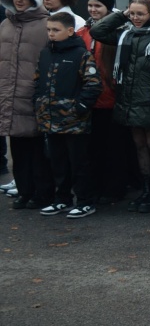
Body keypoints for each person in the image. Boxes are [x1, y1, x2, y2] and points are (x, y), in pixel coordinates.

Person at [90, 0, 150, 213]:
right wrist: (121, 15)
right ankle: (146, 189)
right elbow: (97, 32)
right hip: (129, 98)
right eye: (133, 13)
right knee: (139, 144)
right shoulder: (124, 34)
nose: (136, 18)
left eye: (141, 14)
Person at [33, 12, 104, 218]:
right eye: (49, 30)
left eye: (56, 30)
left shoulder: (81, 55)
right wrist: (38, 103)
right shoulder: (45, 53)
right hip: (50, 119)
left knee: (79, 163)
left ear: (70, 31)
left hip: (74, 121)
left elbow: (93, 84)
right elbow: (38, 81)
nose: (51, 34)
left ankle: (85, 201)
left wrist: (79, 106)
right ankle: (61, 198)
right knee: (57, 162)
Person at [0, 0, 56, 210]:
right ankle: (24, 191)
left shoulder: (47, 24)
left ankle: (42, 193)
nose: (19, 0)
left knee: (38, 150)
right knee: (18, 149)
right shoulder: (5, 24)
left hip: (34, 95)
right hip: (9, 95)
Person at [78, 0, 131, 203]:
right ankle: (96, 186)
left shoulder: (116, 31)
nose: (93, 9)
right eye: (90, 5)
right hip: (89, 98)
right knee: (93, 148)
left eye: (98, 6)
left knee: (114, 148)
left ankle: (115, 188)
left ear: (108, 8)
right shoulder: (82, 31)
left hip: (111, 96)